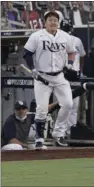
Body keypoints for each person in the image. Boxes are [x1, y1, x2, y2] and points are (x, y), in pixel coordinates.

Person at [23, 11, 76, 150]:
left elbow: (72, 51)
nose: (53, 22)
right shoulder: (37, 36)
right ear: (45, 22)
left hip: (59, 76)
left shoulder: (65, 36)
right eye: (50, 20)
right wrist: (33, 69)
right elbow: (27, 54)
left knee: (68, 103)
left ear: (59, 22)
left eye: (55, 20)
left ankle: (58, 134)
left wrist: (70, 64)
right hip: (42, 76)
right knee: (41, 109)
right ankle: (39, 139)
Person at [60, 18, 86, 137]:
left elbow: (82, 56)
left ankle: (70, 132)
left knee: (72, 105)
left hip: (73, 74)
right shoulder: (56, 40)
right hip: (62, 74)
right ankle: (63, 132)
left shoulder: (77, 41)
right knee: (64, 105)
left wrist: (80, 71)